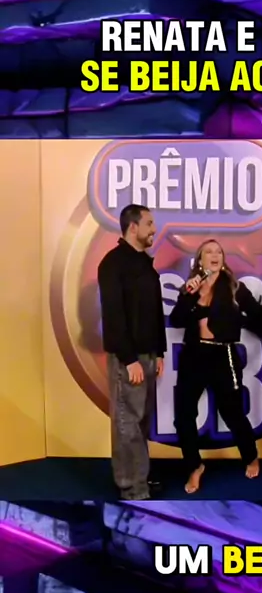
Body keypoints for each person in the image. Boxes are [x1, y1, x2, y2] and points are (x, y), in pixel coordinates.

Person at [170, 238, 262, 494]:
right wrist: (188, 295)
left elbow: (258, 316)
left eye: (218, 251)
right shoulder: (190, 288)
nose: (214, 255)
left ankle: (250, 456)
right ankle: (194, 466)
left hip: (223, 356)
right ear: (199, 260)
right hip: (194, 355)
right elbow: (177, 320)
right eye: (208, 251)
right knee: (183, 415)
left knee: (232, 412)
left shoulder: (234, 288)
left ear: (223, 259)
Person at [97, 204, 166, 501]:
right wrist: (129, 359)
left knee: (140, 423)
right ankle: (131, 488)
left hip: (148, 356)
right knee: (127, 423)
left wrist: (159, 352)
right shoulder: (113, 264)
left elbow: (154, 311)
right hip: (130, 359)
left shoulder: (144, 263)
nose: (154, 229)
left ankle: (140, 478)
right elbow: (114, 316)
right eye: (149, 223)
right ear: (133, 227)